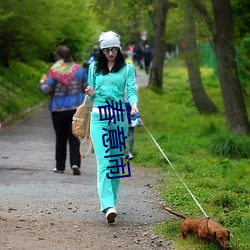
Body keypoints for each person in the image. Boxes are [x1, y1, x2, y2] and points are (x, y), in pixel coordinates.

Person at [85, 31, 138, 223]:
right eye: (106, 50)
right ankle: (107, 205)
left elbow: (131, 90)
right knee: (104, 161)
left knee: (116, 163)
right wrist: (90, 92)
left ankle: (113, 201)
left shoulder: (127, 68)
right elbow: (91, 97)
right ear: (101, 50)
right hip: (99, 117)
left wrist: (133, 104)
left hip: (118, 116)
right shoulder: (93, 68)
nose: (110, 53)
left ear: (119, 48)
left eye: (113, 49)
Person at [39, 45, 88, 175]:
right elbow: (86, 87)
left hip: (58, 109)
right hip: (75, 109)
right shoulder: (79, 70)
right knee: (74, 137)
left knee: (60, 138)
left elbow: (47, 90)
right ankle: (75, 163)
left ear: (58, 57)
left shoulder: (54, 71)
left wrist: (42, 83)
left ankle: (60, 166)